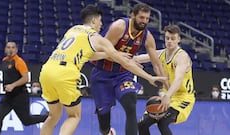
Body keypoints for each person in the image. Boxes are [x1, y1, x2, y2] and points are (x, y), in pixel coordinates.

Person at [39, 5, 166, 135]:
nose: (101, 24)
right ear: (94, 20)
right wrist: (149, 77)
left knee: (53, 116)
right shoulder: (98, 37)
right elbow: (125, 62)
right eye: (100, 21)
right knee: (73, 116)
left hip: (47, 70)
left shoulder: (73, 29)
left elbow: (90, 55)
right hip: (71, 73)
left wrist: (114, 54)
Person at [90, 3, 168, 135]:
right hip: (101, 73)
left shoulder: (147, 37)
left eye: (147, 19)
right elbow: (100, 52)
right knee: (103, 120)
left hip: (122, 74)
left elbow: (157, 64)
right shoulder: (119, 27)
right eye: (141, 18)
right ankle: (107, 131)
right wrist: (123, 58)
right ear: (133, 15)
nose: (144, 21)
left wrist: (168, 89)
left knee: (131, 104)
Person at [135, 24, 195, 135]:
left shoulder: (182, 57)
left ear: (179, 39)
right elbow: (139, 58)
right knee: (141, 124)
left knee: (162, 122)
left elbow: (178, 79)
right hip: (167, 97)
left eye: (173, 39)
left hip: (183, 98)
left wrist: (167, 96)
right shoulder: (161, 53)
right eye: (167, 38)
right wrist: (130, 61)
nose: (169, 41)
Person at [0, 42, 48, 135]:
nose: (10, 49)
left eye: (13, 47)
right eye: (8, 47)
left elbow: (26, 78)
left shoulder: (19, 61)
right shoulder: (4, 60)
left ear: (16, 50)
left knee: (27, 121)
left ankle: (47, 117)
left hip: (20, 96)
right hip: (8, 97)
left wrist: (13, 85)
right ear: (5, 49)